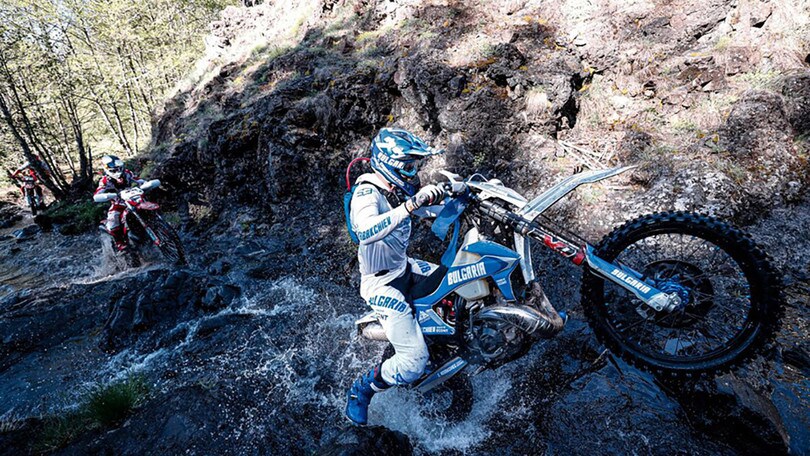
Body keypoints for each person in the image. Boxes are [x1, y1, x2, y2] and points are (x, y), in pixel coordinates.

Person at [345, 128, 452, 426]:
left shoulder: (395, 189)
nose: (413, 172)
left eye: (415, 166)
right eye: (407, 166)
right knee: (413, 361)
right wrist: (411, 205)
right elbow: (365, 231)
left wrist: (462, 194)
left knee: (457, 281)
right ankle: (362, 390)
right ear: (388, 164)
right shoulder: (367, 193)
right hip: (382, 285)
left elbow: (432, 210)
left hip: (405, 267)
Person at [93, 155, 144, 252]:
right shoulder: (105, 180)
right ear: (107, 169)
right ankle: (120, 243)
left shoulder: (127, 173)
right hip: (118, 204)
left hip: (133, 199)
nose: (118, 172)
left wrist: (145, 184)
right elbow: (97, 193)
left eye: (119, 169)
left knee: (146, 204)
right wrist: (106, 195)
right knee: (113, 221)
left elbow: (138, 180)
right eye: (114, 170)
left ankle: (157, 224)